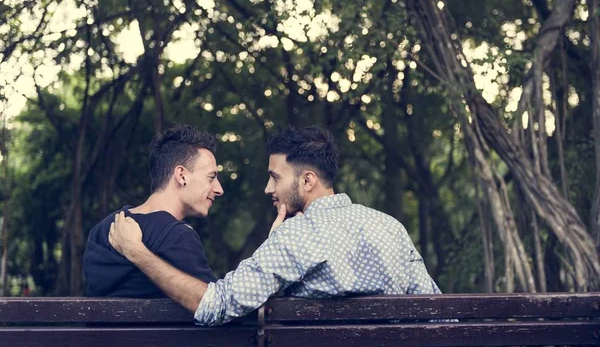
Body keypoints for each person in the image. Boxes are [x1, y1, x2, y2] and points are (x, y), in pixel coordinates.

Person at [108, 126, 441, 324]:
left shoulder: (297, 236)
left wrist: (138, 252)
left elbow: (215, 305)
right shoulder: (390, 227)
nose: (269, 189)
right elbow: (439, 312)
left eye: (275, 178)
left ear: (307, 180)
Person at [83, 125, 222, 297]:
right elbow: (214, 306)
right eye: (211, 177)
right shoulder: (177, 236)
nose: (218, 189)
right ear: (182, 175)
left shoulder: (104, 229)